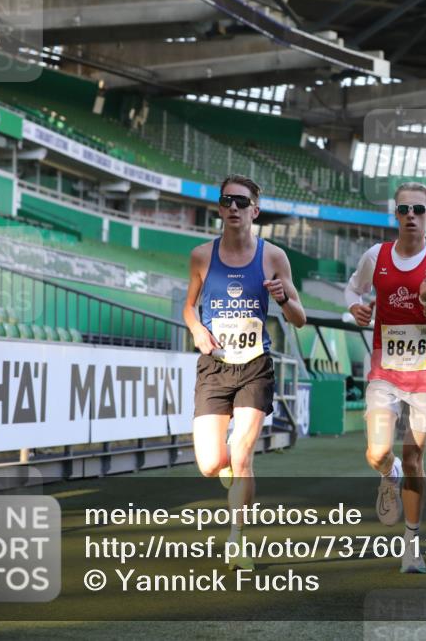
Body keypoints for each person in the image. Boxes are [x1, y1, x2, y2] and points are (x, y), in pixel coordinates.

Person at [183, 174, 306, 570]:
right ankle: (226, 467)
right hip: (215, 366)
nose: (233, 207)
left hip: (255, 366)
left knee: (243, 453)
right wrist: (196, 329)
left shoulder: (274, 257)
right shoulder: (201, 255)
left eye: (241, 202)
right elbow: (189, 307)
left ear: (255, 210)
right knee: (210, 464)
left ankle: (237, 539)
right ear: (220, 209)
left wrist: (283, 299)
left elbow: (299, 318)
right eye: (226, 201)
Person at [346, 182, 426, 574]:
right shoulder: (376, 256)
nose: (411, 215)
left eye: (418, 210)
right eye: (404, 209)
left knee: (413, 458)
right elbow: (353, 290)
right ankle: (386, 472)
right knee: (378, 453)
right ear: (395, 214)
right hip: (386, 371)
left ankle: (411, 544)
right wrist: (355, 308)